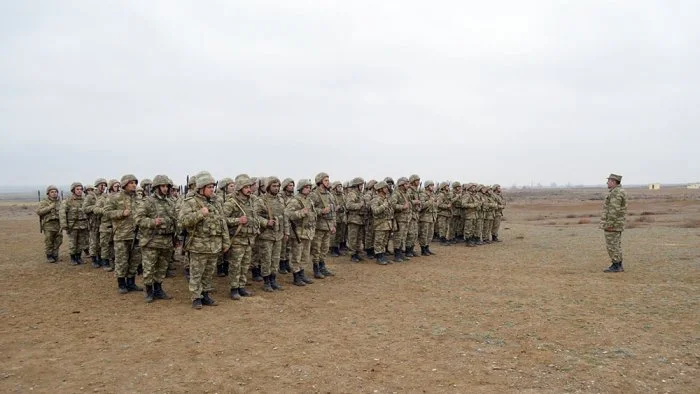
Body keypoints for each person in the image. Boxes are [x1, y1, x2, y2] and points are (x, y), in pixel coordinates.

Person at [179, 173, 230, 309]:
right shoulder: (190, 202)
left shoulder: (216, 202)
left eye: (213, 187)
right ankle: (196, 297)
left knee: (208, 272)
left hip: (214, 245)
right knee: (197, 273)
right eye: (209, 187)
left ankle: (206, 294)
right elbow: (182, 222)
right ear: (201, 188)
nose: (212, 189)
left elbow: (222, 222)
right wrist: (200, 214)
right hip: (198, 245)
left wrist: (226, 241)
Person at [135, 175, 177, 303]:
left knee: (162, 267)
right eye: (162, 186)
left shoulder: (170, 202)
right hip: (151, 241)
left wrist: (176, 235)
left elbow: (175, 219)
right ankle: (149, 291)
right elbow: (138, 219)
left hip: (166, 240)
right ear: (156, 187)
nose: (165, 189)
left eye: (167, 186)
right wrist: (153, 222)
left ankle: (158, 289)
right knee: (149, 268)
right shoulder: (147, 202)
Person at [223, 176, 261, 300]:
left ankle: (241, 287)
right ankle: (234, 288)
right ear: (239, 188)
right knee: (236, 265)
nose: (249, 189)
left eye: (249, 187)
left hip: (249, 239)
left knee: (245, 265)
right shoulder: (231, 202)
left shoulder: (251, 202)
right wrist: (237, 220)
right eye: (246, 187)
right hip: (237, 239)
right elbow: (223, 219)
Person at [105, 174, 142, 293]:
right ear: (124, 184)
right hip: (121, 234)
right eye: (131, 183)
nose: (134, 185)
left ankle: (131, 282)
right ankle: (121, 284)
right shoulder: (115, 197)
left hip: (136, 234)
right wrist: (121, 213)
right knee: (121, 260)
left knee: (134, 260)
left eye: (135, 183)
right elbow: (106, 213)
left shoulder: (138, 198)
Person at [254, 176, 287, 292]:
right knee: (266, 259)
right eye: (274, 186)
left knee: (276, 259)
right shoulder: (261, 200)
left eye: (278, 186)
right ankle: (267, 281)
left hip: (278, 234)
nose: (276, 188)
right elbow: (255, 216)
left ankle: (273, 280)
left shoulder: (280, 200)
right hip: (266, 235)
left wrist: (286, 232)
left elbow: (285, 217)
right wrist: (265, 222)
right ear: (268, 186)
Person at [285, 179, 317, 286]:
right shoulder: (295, 201)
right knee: (296, 255)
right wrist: (301, 213)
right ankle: (296, 276)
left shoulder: (309, 200)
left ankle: (302, 274)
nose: (309, 189)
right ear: (301, 188)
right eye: (306, 187)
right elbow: (288, 214)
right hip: (298, 232)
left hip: (308, 232)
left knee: (305, 255)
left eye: (309, 187)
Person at [309, 172, 336, 278]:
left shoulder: (329, 194)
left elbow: (333, 211)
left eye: (328, 180)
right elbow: (310, 209)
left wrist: (334, 224)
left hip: (328, 225)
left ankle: (322, 266)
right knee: (317, 248)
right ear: (320, 182)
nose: (328, 182)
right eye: (326, 180)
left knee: (325, 248)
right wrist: (321, 211)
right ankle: (316, 269)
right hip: (318, 226)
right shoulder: (314, 194)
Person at [601, 174, 627, 273]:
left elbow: (614, 210)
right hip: (617, 224)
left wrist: (609, 224)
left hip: (613, 224)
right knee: (616, 245)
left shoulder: (616, 193)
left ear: (614, 182)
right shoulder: (618, 191)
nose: (607, 182)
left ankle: (616, 266)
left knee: (612, 245)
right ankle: (617, 264)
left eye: (609, 181)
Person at [59, 182, 89, 265]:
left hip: (83, 225)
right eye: (77, 189)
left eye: (81, 189)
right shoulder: (68, 201)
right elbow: (62, 213)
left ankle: (79, 257)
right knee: (73, 242)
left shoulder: (84, 200)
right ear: (73, 190)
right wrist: (64, 224)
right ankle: (73, 258)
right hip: (72, 225)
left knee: (81, 242)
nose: (79, 191)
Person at [83, 178, 107, 267]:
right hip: (93, 222)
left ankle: (100, 257)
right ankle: (94, 259)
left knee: (102, 241)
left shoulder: (105, 196)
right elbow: (84, 208)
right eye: (101, 185)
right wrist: (95, 208)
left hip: (103, 222)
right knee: (94, 241)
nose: (103, 187)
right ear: (97, 186)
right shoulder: (90, 196)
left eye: (104, 185)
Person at [36, 185, 63, 263]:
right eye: (52, 192)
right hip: (49, 224)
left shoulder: (59, 202)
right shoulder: (44, 202)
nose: (54, 193)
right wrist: (50, 207)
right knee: (49, 240)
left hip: (58, 223)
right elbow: (39, 212)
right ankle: (49, 255)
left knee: (59, 240)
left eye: (55, 192)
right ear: (48, 193)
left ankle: (55, 255)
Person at [370, 181, 393, 265]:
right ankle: (379, 257)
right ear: (380, 189)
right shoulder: (375, 200)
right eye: (385, 188)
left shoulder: (386, 199)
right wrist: (384, 206)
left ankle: (383, 255)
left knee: (384, 241)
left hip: (387, 224)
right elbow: (375, 211)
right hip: (379, 224)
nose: (387, 189)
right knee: (379, 241)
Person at [345, 177, 366, 262]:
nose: (362, 186)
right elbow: (349, 205)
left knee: (359, 238)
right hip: (353, 219)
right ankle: (352, 255)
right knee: (353, 238)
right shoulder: (352, 194)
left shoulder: (360, 194)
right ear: (356, 185)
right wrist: (360, 205)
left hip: (360, 219)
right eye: (361, 185)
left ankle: (357, 253)